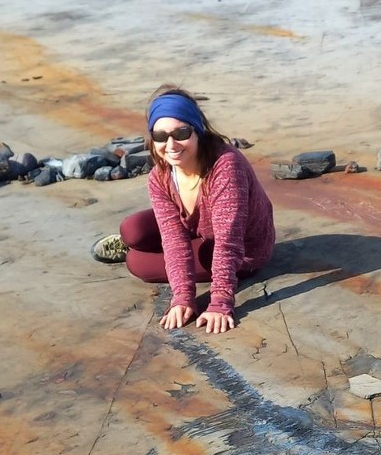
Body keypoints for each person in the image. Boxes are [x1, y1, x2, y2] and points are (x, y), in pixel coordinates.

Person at [92, 86, 275, 334]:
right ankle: (132, 244)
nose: (170, 144)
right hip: (200, 228)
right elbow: (173, 238)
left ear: (197, 130)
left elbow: (228, 241)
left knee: (138, 263)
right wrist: (182, 296)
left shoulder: (226, 166)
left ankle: (137, 251)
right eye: (160, 136)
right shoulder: (160, 176)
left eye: (181, 133)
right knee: (132, 230)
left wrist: (220, 301)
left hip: (243, 248)